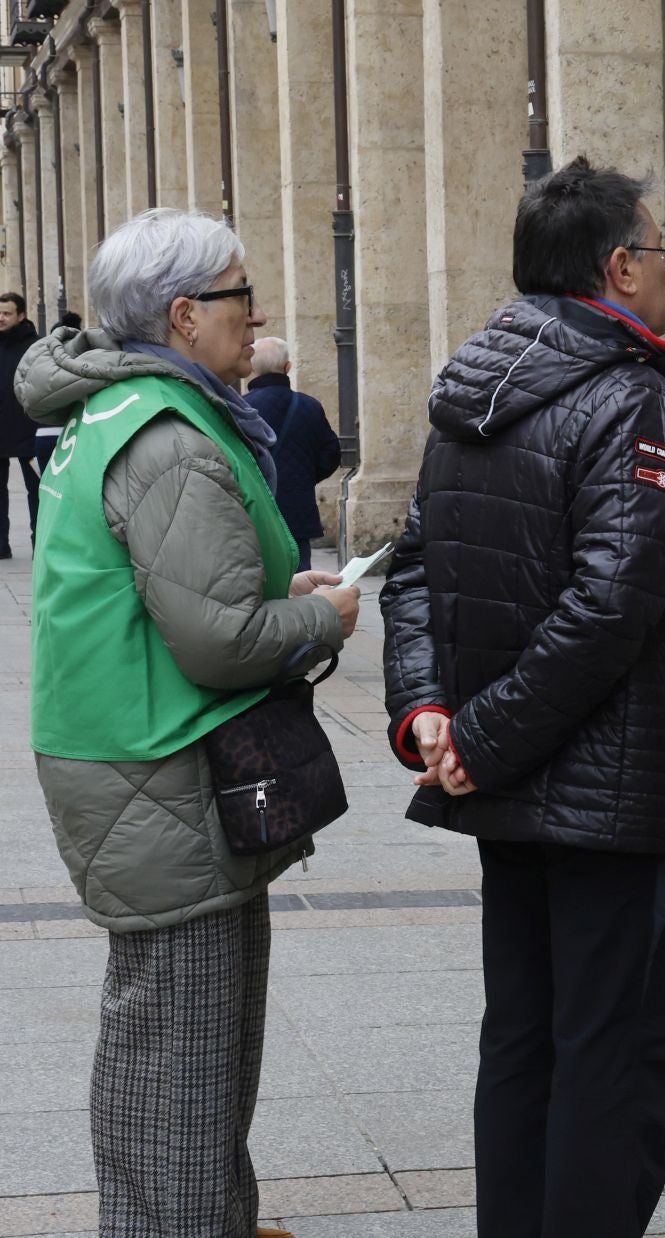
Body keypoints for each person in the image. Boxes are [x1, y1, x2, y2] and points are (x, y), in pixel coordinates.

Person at [381, 156, 665, 1237]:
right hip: (606, 797)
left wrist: (431, 710)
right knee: (614, 1055)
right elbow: (609, 608)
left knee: (526, 1037)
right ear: (620, 268)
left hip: (512, 780)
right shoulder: (633, 401)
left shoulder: (474, 381)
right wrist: (469, 734)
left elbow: (410, 570)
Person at [20, 208, 360, 1238]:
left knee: (156, 1041)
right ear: (182, 315)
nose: (255, 311)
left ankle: (184, 1215)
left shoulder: (119, 411)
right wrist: (318, 612)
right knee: (188, 1056)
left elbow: (179, 591)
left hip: (122, 753)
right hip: (157, 765)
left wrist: (272, 585)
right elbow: (212, 641)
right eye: (238, 292)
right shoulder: (167, 435)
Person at [245, 336, 341, 571]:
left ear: (251, 368)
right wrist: (306, 476)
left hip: (257, 511)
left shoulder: (241, 407)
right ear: (288, 367)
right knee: (301, 577)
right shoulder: (309, 406)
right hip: (298, 508)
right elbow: (331, 453)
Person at [0, 291, 40, 556]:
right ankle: (1, 544)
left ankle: (40, 543)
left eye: (6, 313)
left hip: (29, 429)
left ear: (21, 315)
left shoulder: (36, 347)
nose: (1, 318)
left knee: (37, 490)